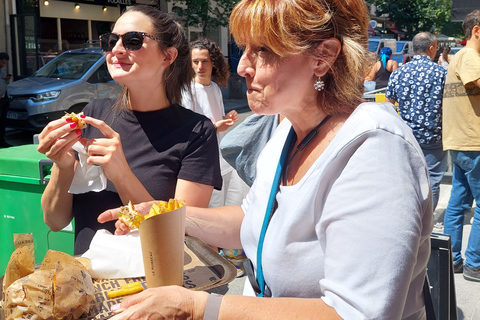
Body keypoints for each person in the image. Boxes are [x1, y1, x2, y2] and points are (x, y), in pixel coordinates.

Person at [99, 0, 433, 318]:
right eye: (244, 48)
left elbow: (357, 313)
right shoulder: (288, 133)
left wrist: (196, 307)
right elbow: (252, 220)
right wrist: (161, 213)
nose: (243, 66)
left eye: (264, 50)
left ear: (323, 56)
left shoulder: (374, 148)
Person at [37, 5, 222, 255]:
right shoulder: (94, 115)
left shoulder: (197, 132)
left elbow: (183, 235)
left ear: (167, 57)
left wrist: (122, 174)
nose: (116, 50)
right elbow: (55, 222)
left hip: (152, 286)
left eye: (133, 41)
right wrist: (63, 165)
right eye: (110, 40)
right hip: (87, 282)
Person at [181, 37, 249, 275]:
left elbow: (214, 120)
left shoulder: (216, 89)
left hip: (220, 155)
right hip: (200, 160)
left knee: (223, 207)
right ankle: (208, 264)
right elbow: (185, 128)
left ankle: (224, 258)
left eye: (205, 61)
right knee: (206, 212)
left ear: (214, 63)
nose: (200, 66)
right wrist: (214, 127)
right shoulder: (186, 89)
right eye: (195, 62)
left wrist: (225, 120)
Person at [385, 32, 448, 212]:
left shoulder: (399, 73)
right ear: (431, 48)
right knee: (431, 181)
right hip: (434, 138)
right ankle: (426, 222)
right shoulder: (442, 73)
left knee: (407, 180)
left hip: (406, 137)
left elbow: (388, 106)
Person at [442, 10, 480, 281]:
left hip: (461, 140)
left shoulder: (460, 55)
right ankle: (474, 264)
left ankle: (452, 258)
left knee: (459, 201)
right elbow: (475, 81)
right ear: (477, 31)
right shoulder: (469, 56)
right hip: (473, 141)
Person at [0, 52, 12, 148]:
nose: (4, 65)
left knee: (3, 120)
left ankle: (2, 140)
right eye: (3, 63)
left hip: (4, 97)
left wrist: (6, 78)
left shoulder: (3, 70)